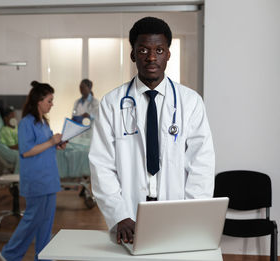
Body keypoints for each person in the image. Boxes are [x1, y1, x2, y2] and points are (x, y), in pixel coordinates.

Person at [89, 17, 215, 245]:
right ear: (133, 54)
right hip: (129, 212)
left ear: (168, 54)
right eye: (143, 50)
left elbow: (202, 163)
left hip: (177, 210)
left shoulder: (191, 102)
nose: (151, 57)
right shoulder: (112, 103)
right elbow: (101, 164)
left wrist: (192, 212)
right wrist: (120, 216)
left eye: (159, 50)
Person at [0, 81, 67, 261]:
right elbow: (26, 151)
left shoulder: (43, 123)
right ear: (39, 101)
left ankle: (44, 257)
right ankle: (10, 254)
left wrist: (57, 145)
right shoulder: (26, 123)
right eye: (49, 100)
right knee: (31, 221)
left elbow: (43, 147)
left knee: (46, 224)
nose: (52, 104)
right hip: (36, 180)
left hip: (49, 180)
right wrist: (51, 142)